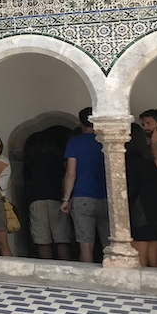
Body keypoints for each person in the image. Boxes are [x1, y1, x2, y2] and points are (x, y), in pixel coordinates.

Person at [61, 107, 109, 263]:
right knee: (110, 245)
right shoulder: (107, 139)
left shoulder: (75, 142)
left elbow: (70, 173)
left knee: (86, 245)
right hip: (107, 197)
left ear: (81, 122)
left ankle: (88, 283)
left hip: (82, 198)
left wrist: (66, 199)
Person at [24, 127, 72, 260]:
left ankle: (47, 268)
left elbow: (27, 177)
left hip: (36, 198)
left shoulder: (32, 157)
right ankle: (65, 268)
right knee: (61, 238)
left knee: (42, 240)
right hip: (57, 197)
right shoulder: (59, 156)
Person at [125, 121, 157, 267]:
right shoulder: (148, 162)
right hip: (155, 213)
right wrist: (154, 143)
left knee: (139, 260)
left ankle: (140, 289)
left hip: (139, 213)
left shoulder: (128, 162)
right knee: (153, 258)